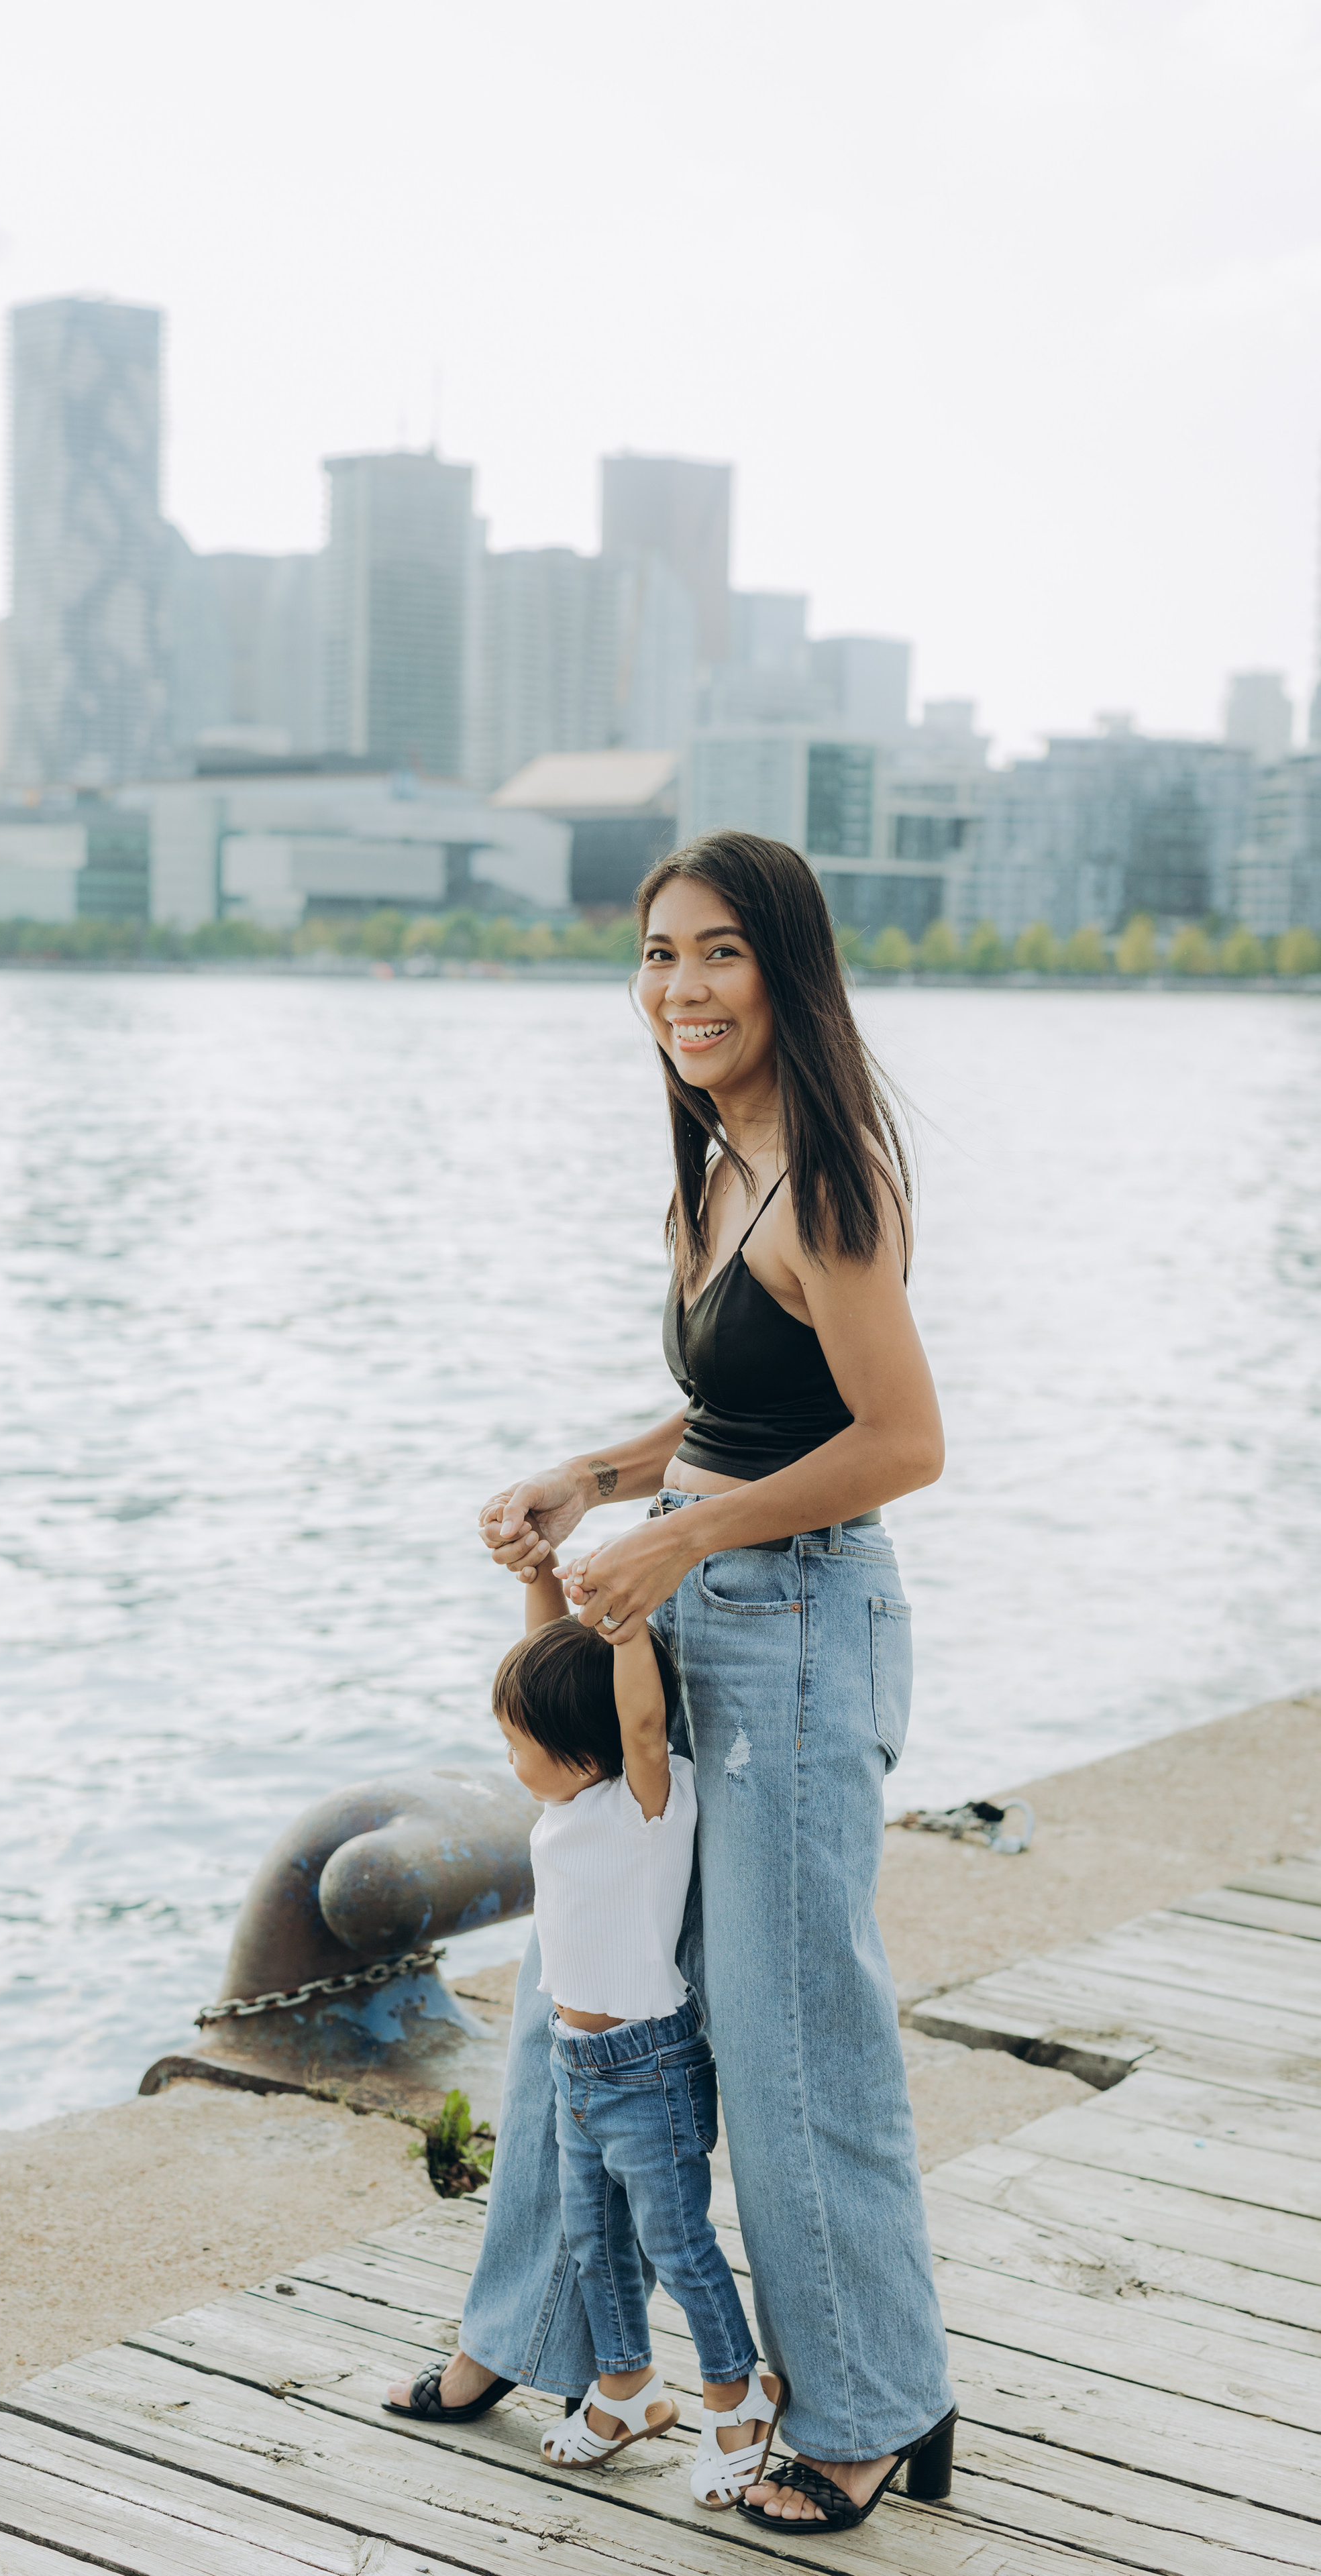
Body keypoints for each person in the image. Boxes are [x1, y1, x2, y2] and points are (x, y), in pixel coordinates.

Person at [386, 831, 957, 2534]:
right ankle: (534, 2334)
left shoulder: (834, 1182)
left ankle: (860, 2404)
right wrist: (601, 1478)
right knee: (593, 1980)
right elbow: (744, 1405)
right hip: (705, 1610)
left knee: (786, 2045)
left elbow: (901, 1444)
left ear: (785, 971)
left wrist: (684, 1542)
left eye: (717, 955)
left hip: (791, 1630)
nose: (681, 990)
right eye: (655, 956)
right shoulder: (719, 1158)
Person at [481, 1533, 784, 2502]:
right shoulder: (566, 1800)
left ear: (578, 1750)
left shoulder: (645, 1804)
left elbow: (640, 1726)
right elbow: (549, 1682)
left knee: (675, 2242)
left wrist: (627, 1627)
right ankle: (626, 2388)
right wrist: (542, 1585)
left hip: (649, 2067)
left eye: (515, 1745)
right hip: (579, 2061)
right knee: (592, 2241)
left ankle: (737, 2394)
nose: (509, 1757)